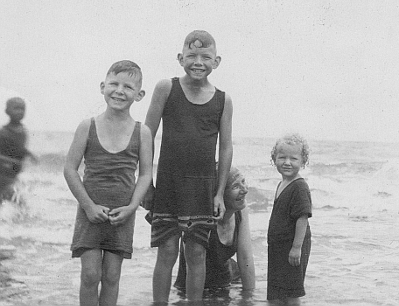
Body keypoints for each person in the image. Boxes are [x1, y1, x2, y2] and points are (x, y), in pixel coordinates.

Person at [145, 30, 234, 302]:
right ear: (180, 58)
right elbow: (146, 134)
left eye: (205, 57)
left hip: (202, 188)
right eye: (192, 55)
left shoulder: (223, 100)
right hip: (169, 185)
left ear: (216, 61)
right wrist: (146, 183)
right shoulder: (166, 88)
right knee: (168, 251)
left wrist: (219, 193)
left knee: (197, 253)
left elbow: (226, 147)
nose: (198, 62)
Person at [63, 60, 153, 306]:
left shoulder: (142, 132)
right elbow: (70, 169)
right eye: (114, 84)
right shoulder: (87, 126)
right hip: (90, 212)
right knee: (90, 275)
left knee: (112, 276)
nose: (119, 91)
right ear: (103, 86)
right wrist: (89, 206)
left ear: (139, 95)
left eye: (128, 87)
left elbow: (145, 175)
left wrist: (132, 207)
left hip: (121, 215)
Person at [173, 166, 255, 294]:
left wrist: (249, 296)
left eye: (243, 182)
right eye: (235, 186)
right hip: (192, 289)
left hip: (226, 284)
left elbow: (245, 258)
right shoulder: (201, 219)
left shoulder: (241, 210)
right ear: (219, 194)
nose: (244, 190)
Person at [268, 134, 312, 305]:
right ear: (274, 159)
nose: (287, 162)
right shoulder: (282, 183)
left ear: (303, 161)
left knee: (292, 291)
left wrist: (296, 247)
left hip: (293, 247)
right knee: (277, 291)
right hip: (279, 247)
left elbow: (302, 218)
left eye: (293, 158)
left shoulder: (299, 186)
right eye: (282, 157)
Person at [0, 97, 35, 203]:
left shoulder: (23, 131)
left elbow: (20, 149)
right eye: (16, 108)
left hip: (14, 173)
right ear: (7, 111)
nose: (20, 111)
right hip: (3, 173)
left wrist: (29, 154)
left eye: (22, 109)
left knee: (16, 200)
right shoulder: (4, 132)